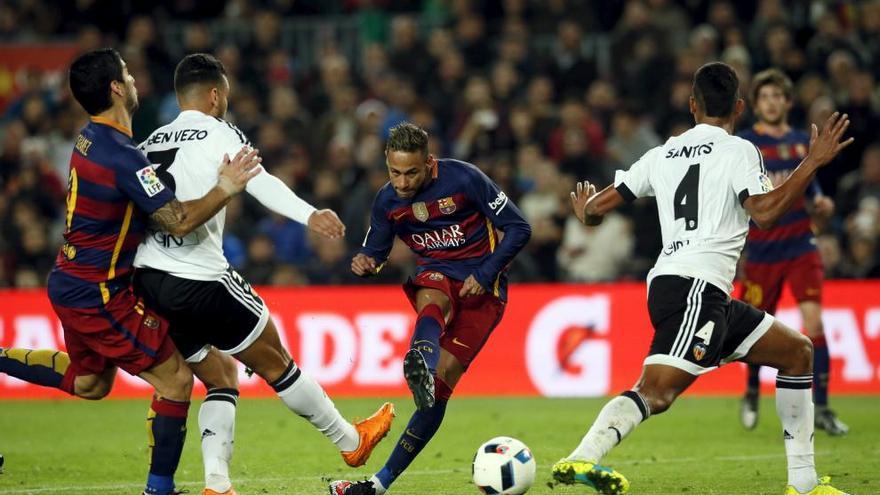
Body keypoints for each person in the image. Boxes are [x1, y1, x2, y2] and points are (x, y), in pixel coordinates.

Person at [552, 62, 853, 495]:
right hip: (695, 287)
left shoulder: (661, 154)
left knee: (797, 353)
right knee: (656, 392)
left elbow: (595, 209)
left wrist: (585, 211)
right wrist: (812, 162)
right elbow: (765, 214)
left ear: (692, 105)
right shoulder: (740, 151)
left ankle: (804, 486)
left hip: (698, 290)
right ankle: (581, 458)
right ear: (740, 107)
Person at [0, 48, 261, 495]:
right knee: (176, 381)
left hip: (73, 281)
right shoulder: (122, 155)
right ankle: (158, 490)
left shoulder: (91, 139)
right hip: (99, 292)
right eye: (127, 74)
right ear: (117, 89)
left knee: (90, 383)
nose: (136, 79)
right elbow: (177, 219)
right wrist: (225, 187)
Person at [132, 53, 395, 495]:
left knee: (221, 376)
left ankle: (217, 483)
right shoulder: (219, 131)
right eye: (226, 96)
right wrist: (309, 214)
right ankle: (351, 441)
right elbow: (258, 179)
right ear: (216, 96)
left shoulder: (147, 142)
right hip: (199, 276)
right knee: (277, 361)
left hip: (148, 279)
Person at [329, 122, 531, 495]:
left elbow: (519, 228)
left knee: (437, 394)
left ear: (430, 164)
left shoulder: (466, 179)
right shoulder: (387, 200)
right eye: (394, 173)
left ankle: (377, 484)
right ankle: (421, 354)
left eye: (411, 173)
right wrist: (366, 263)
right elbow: (375, 253)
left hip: (484, 290)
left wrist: (486, 274)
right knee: (431, 290)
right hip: (436, 275)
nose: (402, 183)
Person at [737, 68, 848, 435]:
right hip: (762, 251)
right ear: (755, 105)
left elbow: (811, 191)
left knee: (813, 323)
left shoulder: (804, 142)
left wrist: (822, 205)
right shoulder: (746, 146)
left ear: (786, 101)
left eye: (777, 96)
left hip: (801, 244)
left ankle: (825, 407)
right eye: (764, 97)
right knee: (754, 329)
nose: (771, 102)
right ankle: (752, 390)